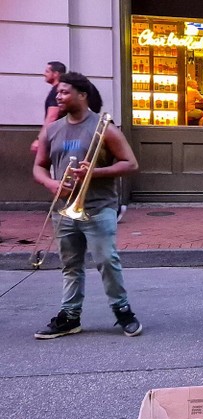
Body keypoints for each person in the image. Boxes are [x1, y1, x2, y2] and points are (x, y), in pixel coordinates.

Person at [31, 72, 142, 339]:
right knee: (70, 265)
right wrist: (51, 184)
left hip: (98, 207)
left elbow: (131, 164)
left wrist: (94, 172)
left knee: (107, 261)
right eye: (58, 92)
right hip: (64, 208)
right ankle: (70, 316)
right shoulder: (52, 129)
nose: (59, 96)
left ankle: (122, 310)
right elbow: (39, 167)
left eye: (65, 92)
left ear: (83, 95)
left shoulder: (104, 127)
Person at [31, 61, 67, 153]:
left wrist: (40, 139)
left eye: (47, 71)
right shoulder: (63, 90)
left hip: (57, 138)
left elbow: (52, 116)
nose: (44, 74)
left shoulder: (56, 92)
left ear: (55, 74)